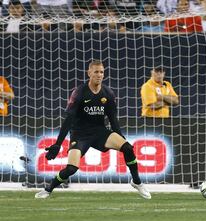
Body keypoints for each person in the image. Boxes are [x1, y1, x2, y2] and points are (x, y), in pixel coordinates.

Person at [35, 60, 151, 199]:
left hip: (99, 132)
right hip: (80, 134)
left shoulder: (108, 93)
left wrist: (121, 138)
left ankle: (137, 182)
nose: (99, 75)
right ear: (89, 73)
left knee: (127, 148)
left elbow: (113, 119)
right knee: (71, 169)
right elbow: (68, 120)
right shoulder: (79, 92)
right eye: (96, 72)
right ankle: (48, 189)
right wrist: (58, 144)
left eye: (101, 72)